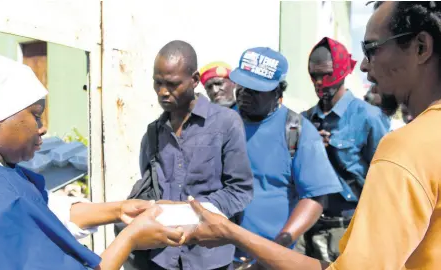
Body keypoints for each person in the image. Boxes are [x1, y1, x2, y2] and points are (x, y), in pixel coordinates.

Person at [185, 1, 441, 269]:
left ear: (421, 48)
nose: (364, 66)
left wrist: (243, 237)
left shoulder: (402, 149)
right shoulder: (223, 123)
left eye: (372, 49)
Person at [0, 53, 185, 270]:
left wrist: (119, 209)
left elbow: (45, 211)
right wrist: (131, 238)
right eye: (36, 114)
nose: (42, 127)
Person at [140, 40, 253, 269]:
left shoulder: (226, 123)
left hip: (209, 258)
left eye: (172, 84)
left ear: (194, 80)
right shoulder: (153, 132)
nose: (163, 92)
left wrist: (191, 213)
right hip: (162, 257)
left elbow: (240, 189)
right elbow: (148, 186)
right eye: (157, 82)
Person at [226, 47, 342, 267]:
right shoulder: (221, 123)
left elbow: (315, 198)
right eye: (242, 86)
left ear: (278, 92)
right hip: (220, 256)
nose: (244, 94)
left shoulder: (298, 131)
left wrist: (275, 250)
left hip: (272, 260)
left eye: (255, 90)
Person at [296, 37, 388, 262]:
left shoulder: (369, 117)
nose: (319, 82)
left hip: (348, 229)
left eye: (326, 74)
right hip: (307, 230)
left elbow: (385, 180)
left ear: (342, 72)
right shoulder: (302, 121)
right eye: (313, 75)